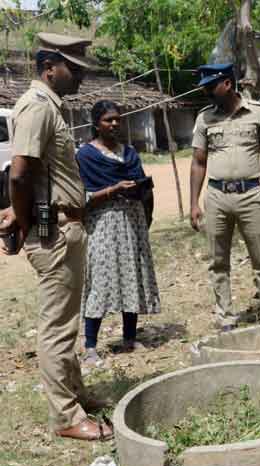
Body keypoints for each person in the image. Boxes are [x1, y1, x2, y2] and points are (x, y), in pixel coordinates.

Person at [0, 33, 112, 441]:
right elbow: (19, 172)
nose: (80, 75)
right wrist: (26, 218)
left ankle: (76, 391)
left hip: (63, 224)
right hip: (54, 230)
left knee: (67, 318)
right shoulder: (37, 108)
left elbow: (36, 173)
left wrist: (20, 210)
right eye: (74, 68)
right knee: (57, 327)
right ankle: (66, 416)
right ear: (50, 67)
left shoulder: (51, 108)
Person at [189, 63, 260, 331]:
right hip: (216, 197)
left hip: (251, 195)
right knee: (218, 262)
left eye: (210, 86)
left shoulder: (257, 114)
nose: (206, 92)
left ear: (227, 84)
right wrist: (194, 203)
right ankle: (225, 317)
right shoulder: (204, 119)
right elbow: (198, 162)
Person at [76, 100, 161, 365]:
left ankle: (129, 338)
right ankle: (90, 346)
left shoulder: (130, 154)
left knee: (131, 275)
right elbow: (81, 198)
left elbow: (145, 188)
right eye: (108, 120)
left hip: (132, 220)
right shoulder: (85, 156)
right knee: (100, 280)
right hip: (103, 223)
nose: (114, 124)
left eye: (117, 119)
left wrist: (144, 208)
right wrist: (113, 190)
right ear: (96, 124)